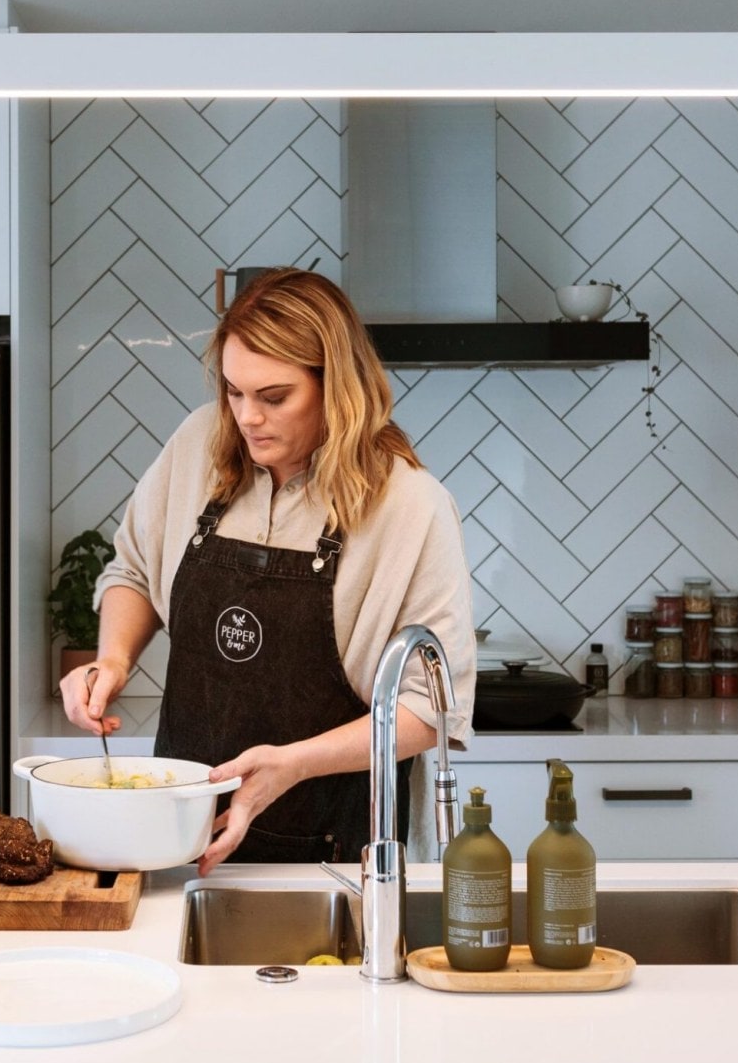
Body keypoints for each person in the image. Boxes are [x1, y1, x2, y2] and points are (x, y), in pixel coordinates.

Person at [59, 268, 475, 873]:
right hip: (179, 843)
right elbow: (134, 571)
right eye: (233, 391)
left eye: (274, 397)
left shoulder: (410, 505)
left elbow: (430, 710)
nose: (247, 417)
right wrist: (114, 659)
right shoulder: (200, 444)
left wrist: (293, 763)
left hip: (332, 856)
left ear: (336, 387)